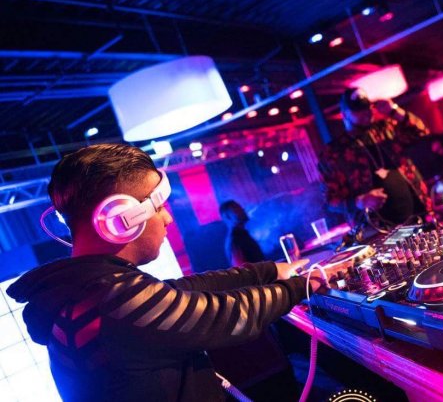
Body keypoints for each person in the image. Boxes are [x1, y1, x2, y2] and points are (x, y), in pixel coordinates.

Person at [6, 144, 324, 402]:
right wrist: (305, 284)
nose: (168, 219)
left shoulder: (89, 289)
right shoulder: (113, 299)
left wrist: (271, 270)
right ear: (119, 219)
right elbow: (227, 316)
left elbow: (186, 289)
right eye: (158, 207)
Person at [318, 87, 431, 225]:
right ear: (344, 114)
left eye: (367, 107)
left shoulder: (386, 129)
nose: (366, 112)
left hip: (419, 214)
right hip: (377, 228)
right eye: (358, 110)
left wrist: (393, 110)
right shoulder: (333, 152)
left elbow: (421, 132)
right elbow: (330, 201)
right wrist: (360, 201)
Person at [219, 200, 265, 266]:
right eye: (237, 210)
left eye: (240, 208)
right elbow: (241, 268)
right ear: (228, 217)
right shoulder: (235, 241)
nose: (242, 210)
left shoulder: (242, 236)